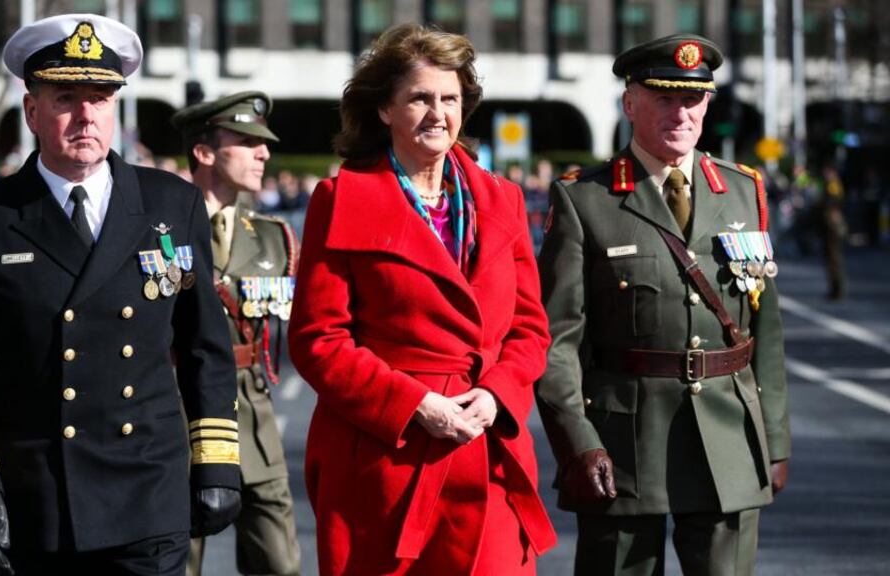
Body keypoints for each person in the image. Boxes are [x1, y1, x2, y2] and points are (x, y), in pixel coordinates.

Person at [0, 14, 241, 575]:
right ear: (32, 111)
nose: (86, 115)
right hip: (40, 495)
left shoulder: (172, 205)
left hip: (148, 487)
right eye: (66, 97)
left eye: (101, 97)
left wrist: (216, 462)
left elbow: (205, 345)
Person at [288, 24, 556, 575]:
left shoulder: (502, 199)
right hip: (385, 459)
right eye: (420, 98)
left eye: (451, 98)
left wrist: (498, 395)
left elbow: (529, 329)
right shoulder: (340, 199)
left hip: (486, 451)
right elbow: (318, 340)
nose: (439, 113)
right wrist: (415, 405)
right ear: (385, 110)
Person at [536, 34, 790, 576]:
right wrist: (577, 441)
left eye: (692, 99)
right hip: (624, 442)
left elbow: (765, 331)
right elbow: (557, 344)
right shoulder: (586, 199)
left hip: (728, 434)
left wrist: (774, 438)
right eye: (664, 98)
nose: (681, 113)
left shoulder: (744, 192)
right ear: (630, 103)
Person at [173, 91, 302, 576]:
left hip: (254, 416)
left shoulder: (274, 236)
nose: (263, 153)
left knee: (279, 564)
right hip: (181, 414)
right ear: (205, 152)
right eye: (247, 141)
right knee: (178, 563)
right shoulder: (161, 230)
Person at [819, 165, 847, 300]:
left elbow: (835, 201)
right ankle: (835, 289)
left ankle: (837, 289)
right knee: (831, 260)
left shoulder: (833, 184)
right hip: (829, 226)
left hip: (833, 228)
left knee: (834, 259)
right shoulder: (830, 184)